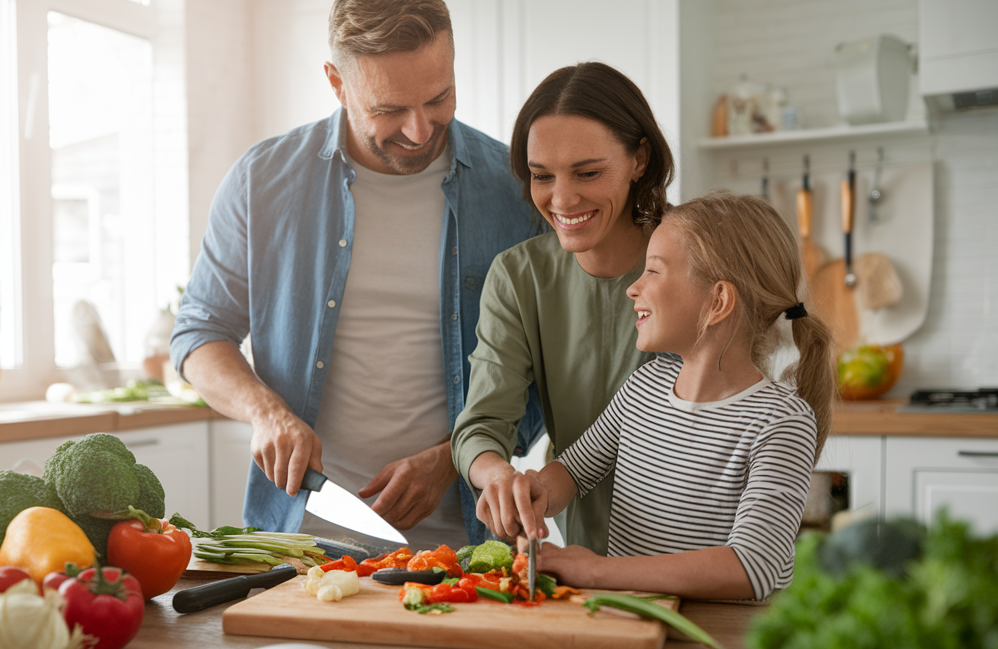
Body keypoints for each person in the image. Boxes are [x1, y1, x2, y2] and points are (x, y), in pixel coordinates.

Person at [170, 0, 543, 550]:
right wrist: (266, 413)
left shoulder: (517, 189)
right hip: (298, 545)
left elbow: (540, 373)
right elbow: (199, 334)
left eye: (439, 97)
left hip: (468, 547)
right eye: (389, 109)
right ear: (336, 83)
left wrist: (453, 458)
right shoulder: (263, 180)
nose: (419, 130)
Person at [486, 191, 836, 601]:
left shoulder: (779, 421)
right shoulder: (646, 386)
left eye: (653, 271)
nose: (633, 288)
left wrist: (598, 571)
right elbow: (574, 470)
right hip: (636, 623)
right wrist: (534, 494)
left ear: (718, 301)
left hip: (724, 643)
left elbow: (752, 566)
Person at [452, 62, 674, 555]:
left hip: (701, 551)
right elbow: (481, 426)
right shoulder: (518, 276)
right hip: (581, 556)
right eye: (541, 176)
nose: (562, 198)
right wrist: (499, 477)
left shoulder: (700, 256)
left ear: (640, 158)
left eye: (588, 172)